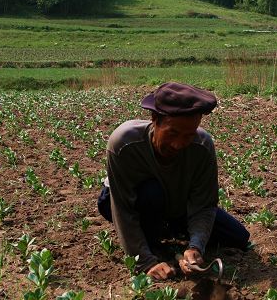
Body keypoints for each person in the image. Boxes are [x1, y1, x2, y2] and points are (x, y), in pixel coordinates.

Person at [98, 82, 250, 281]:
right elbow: (123, 209)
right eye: (172, 133)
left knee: (238, 237)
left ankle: (168, 233)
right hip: (137, 201)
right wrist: (145, 261)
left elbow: (204, 205)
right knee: (151, 193)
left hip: (176, 204)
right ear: (155, 120)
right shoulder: (125, 143)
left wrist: (196, 246)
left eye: (188, 135)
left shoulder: (202, 146)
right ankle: (154, 242)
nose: (179, 144)